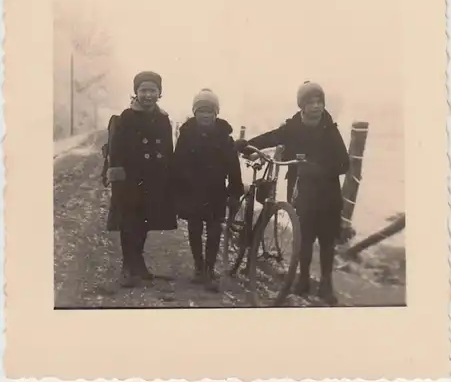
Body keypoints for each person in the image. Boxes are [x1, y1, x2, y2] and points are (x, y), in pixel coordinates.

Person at [235, 81, 349, 305]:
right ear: (301, 106)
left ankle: (326, 284)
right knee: (304, 237)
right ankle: (303, 280)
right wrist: (248, 145)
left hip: (328, 194)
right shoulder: (293, 127)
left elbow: (344, 164)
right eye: (311, 102)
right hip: (302, 191)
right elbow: (273, 137)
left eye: (320, 102)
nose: (316, 107)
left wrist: (318, 168)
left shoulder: (330, 130)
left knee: (326, 240)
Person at [106, 71, 177, 287]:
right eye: (143, 90)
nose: (148, 95)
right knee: (129, 223)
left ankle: (139, 264)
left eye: (152, 91)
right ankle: (128, 267)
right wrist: (117, 177)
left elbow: (167, 148)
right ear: (136, 92)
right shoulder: (126, 117)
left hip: (154, 179)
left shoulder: (164, 119)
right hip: (130, 180)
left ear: (159, 93)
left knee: (145, 223)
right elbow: (116, 150)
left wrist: (169, 175)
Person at [173, 88, 244, 292]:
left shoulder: (224, 136)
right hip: (192, 190)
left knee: (214, 230)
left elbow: (233, 166)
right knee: (194, 228)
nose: (205, 115)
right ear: (195, 113)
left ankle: (210, 268)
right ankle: (198, 266)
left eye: (210, 111)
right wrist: (178, 189)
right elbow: (178, 161)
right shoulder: (186, 134)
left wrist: (234, 192)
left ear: (216, 113)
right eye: (201, 111)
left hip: (216, 192)